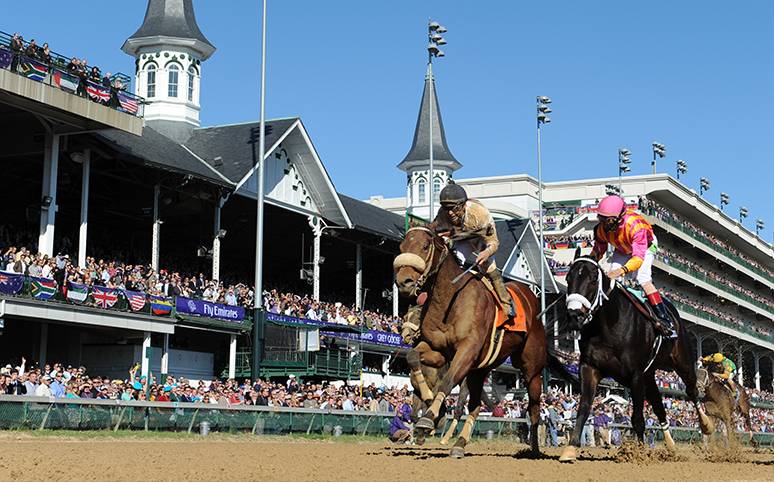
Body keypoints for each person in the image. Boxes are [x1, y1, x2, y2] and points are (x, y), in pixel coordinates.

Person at [590, 195, 675, 337]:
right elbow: (598, 251)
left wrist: (622, 270)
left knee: (642, 279)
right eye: (602, 218)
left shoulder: (636, 226)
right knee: (611, 278)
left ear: (620, 216)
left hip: (645, 247)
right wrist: (589, 261)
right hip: (622, 248)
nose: (605, 224)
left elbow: (638, 259)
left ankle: (664, 319)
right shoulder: (600, 230)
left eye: (609, 220)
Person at [430, 182, 516, 316]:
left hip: (481, 239)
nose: (450, 213)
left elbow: (494, 242)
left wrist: (486, 253)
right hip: (461, 240)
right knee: (452, 260)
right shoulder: (443, 214)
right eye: (446, 208)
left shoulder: (480, 214)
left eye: (454, 208)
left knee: (490, 268)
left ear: (464, 204)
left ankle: (506, 302)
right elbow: (432, 230)